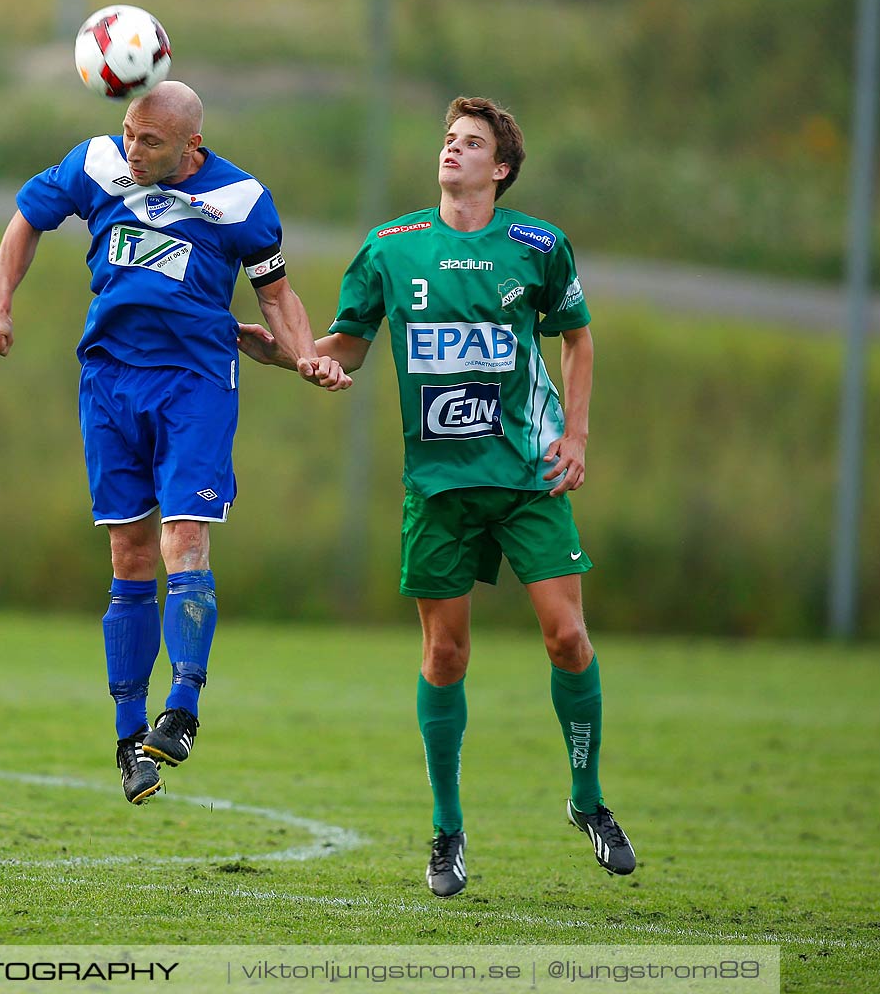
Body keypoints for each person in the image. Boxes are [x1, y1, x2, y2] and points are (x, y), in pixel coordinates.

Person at [238, 95, 634, 894]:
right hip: (440, 488)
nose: (454, 150)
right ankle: (448, 832)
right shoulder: (392, 247)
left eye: (473, 142)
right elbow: (344, 348)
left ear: (503, 168)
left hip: (528, 478)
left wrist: (578, 436)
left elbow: (578, 337)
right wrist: (291, 356)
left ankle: (588, 802)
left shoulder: (537, 246)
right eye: (449, 139)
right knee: (445, 654)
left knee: (567, 638)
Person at [0, 80, 351, 806]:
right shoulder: (95, 164)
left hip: (195, 383)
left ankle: (182, 709)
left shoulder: (240, 199)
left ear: (191, 147)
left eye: (151, 142)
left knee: (184, 537)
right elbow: (27, 219)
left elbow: (276, 293)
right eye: (128, 134)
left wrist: (307, 356)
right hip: (110, 381)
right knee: (129, 553)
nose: (133, 151)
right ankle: (127, 740)